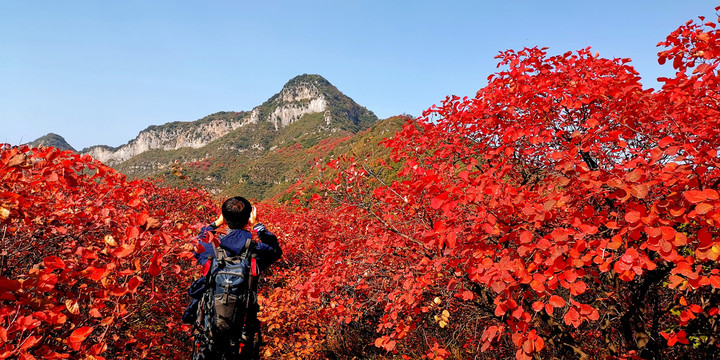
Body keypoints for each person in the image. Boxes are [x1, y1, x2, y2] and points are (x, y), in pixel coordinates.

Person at [187, 196, 282, 360]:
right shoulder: (256, 249)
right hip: (242, 328)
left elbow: (198, 239)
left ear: (224, 217)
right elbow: (275, 249)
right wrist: (258, 225)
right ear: (248, 219)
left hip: (211, 323)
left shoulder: (211, 245)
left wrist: (216, 223)